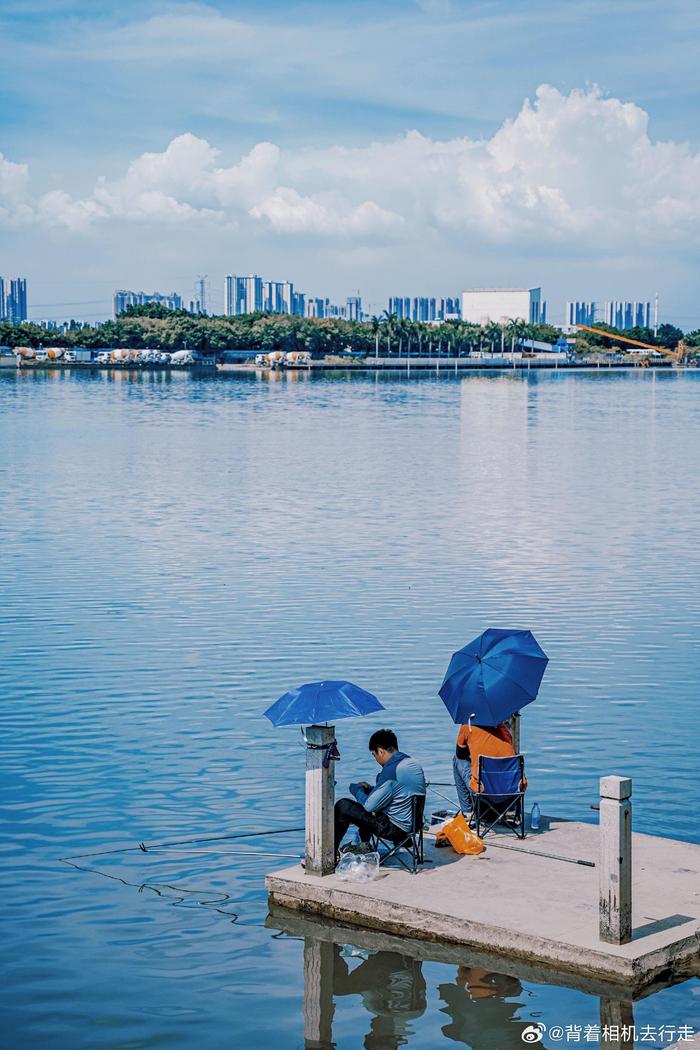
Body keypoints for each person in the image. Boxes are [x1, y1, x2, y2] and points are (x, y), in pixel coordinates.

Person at [334, 729, 426, 857]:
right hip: (413, 826)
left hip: (395, 829)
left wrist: (356, 790)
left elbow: (369, 806)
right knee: (369, 794)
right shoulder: (412, 763)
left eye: (374, 755)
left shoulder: (391, 771)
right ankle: (364, 845)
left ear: (381, 752)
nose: (375, 759)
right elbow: (398, 792)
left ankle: (329, 855)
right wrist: (370, 788)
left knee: (343, 805)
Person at [453, 721, 525, 817]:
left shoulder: (468, 726)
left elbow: (460, 754)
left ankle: (468, 813)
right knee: (507, 762)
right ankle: (510, 812)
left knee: (457, 760)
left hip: (483, 790)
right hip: (512, 790)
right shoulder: (503, 729)